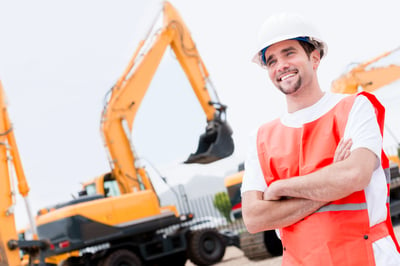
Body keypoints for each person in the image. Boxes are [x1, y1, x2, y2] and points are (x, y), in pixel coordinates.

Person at [241, 12, 400, 265]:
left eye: (289, 53)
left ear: (314, 57)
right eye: (271, 61)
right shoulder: (260, 139)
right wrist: (332, 182)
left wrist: (280, 188)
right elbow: (254, 217)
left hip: (368, 256)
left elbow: (355, 175)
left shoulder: (356, 108)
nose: (280, 65)